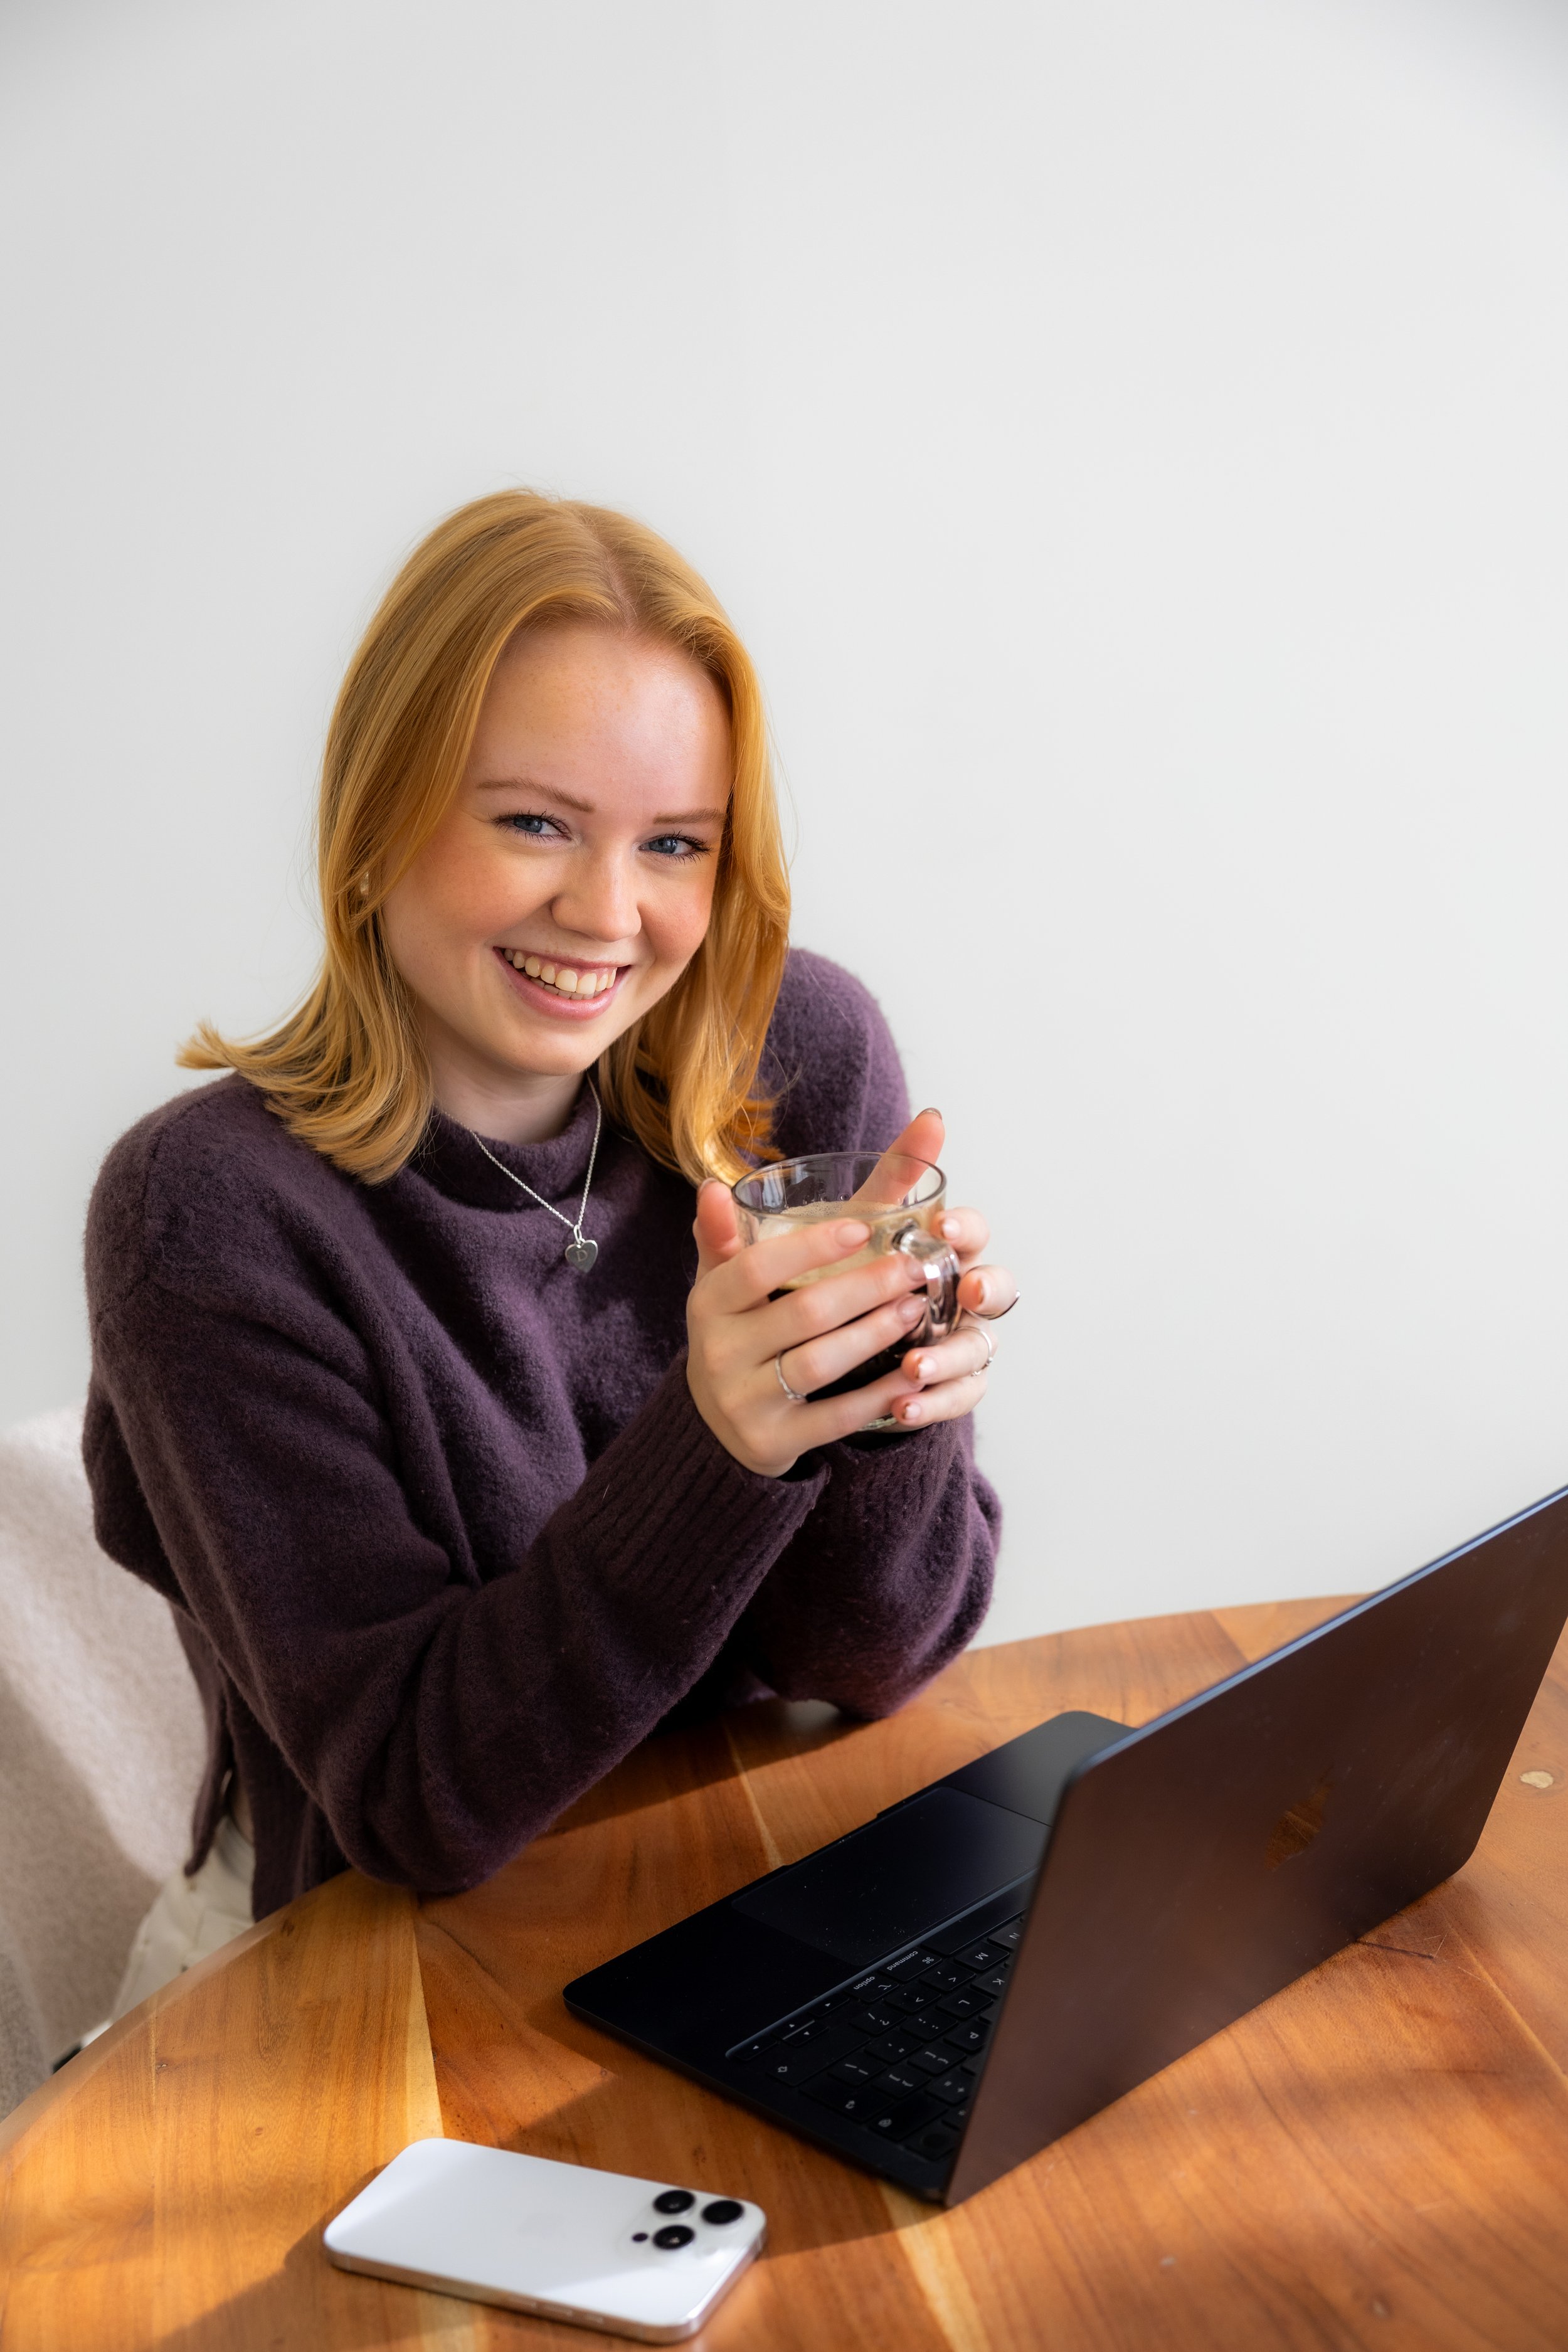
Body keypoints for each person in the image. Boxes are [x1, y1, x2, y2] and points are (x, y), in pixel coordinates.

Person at [84, 492, 1017, 2006]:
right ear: (378, 809)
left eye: (672, 844)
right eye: (532, 822)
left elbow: (879, 1657)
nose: (606, 913)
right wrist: (721, 1444)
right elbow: (409, 1803)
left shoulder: (799, 1060)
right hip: (344, 1969)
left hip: (727, 1883)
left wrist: (882, 1393)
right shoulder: (204, 1220)